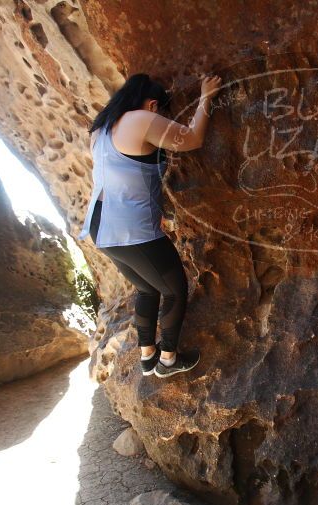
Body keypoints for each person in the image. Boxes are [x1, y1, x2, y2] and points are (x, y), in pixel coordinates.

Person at [77, 72, 222, 378]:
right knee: (175, 289)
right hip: (130, 227)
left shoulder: (99, 131)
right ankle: (168, 360)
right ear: (152, 104)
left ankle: (147, 355)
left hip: (100, 225)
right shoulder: (141, 118)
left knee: (146, 287)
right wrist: (207, 96)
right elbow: (192, 138)